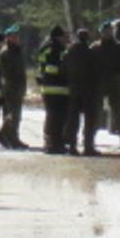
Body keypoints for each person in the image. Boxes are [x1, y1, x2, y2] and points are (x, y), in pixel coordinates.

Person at [35, 26, 72, 154]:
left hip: (54, 88)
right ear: (58, 37)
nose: (66, 38)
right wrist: (66, 73)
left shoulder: (47, 48)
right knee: (55, 117)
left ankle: (56, 143)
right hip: (55, 87)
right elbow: (51, 69)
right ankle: (52, 144)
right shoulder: (54, 49)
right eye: (63, 36)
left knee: (57, 117)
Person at [66, 28, 101, 156]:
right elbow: (97, 72)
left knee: (73, 120)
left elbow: (64, 69)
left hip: (74, 90)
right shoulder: (92, 53)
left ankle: (72, 146)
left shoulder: (69, 52)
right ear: (87, 38)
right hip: (88, 90)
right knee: (89, 119)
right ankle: (88, 146)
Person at [95, 23, 120, 150]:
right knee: (94, 111)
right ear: (101, 32)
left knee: (118, 113)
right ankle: (89, 138)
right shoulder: (95, 47)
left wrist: (116, 72)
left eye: (109, 31)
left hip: (115, 84)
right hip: (98, 83)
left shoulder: (119, 47)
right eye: (105, 31)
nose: (107, 33)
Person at [0, 26, 29, 149]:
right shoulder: (6, 52)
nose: (16, 38)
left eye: (17, 36)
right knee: (12, 115)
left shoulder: (17, 51)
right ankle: (8, 137)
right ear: (8, 38)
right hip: (11, 88)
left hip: (19, 87)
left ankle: (10, 136)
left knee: (16, 115)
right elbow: (7, 72)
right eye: (13, 36)